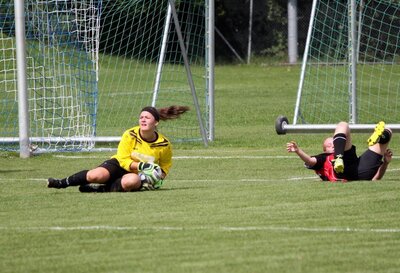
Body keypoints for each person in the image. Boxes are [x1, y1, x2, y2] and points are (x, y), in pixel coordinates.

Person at [47, 105, 189, 192]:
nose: (143, 120)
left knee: (130, 182)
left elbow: (164, 166)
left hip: (137, 174)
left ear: (156, 122)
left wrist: (157, 180)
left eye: (147, 117)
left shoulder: (164, 144)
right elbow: (122, 159)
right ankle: (61, 182)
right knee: (94, 176)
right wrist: (142, 165)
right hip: (119, 164)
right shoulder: (130, 134)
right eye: (141, 117)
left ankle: (101, 189)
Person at [286, 121, 393, 181]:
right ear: (325, 150)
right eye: (329, 145)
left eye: (334, 142)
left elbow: (375, 180)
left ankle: (380, 137)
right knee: (342, 125)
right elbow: (310, 160)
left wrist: (385, 163)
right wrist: (298, 150)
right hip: (341, 170)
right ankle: (338, 158)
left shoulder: (343, 148)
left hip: (358, 169)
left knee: (388, 130)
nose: (332, 145)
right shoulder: (323, 158)